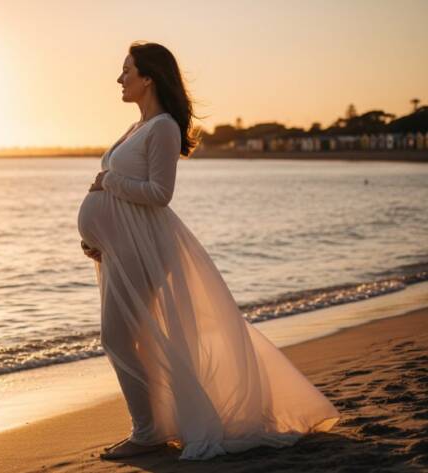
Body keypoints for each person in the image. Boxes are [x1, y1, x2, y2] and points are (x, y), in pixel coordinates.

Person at [76, 42, 340, 461]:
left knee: (118, 338)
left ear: (149, 78)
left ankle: (147, 433)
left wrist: (108, 184)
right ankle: (156, 426)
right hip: (122, 250)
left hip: (146, 249)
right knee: (132, 339)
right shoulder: (136, 127)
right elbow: (122, 197)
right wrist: (98, 239)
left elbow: (160, 194)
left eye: (127, 70)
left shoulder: (162, 126)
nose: (119, 78)